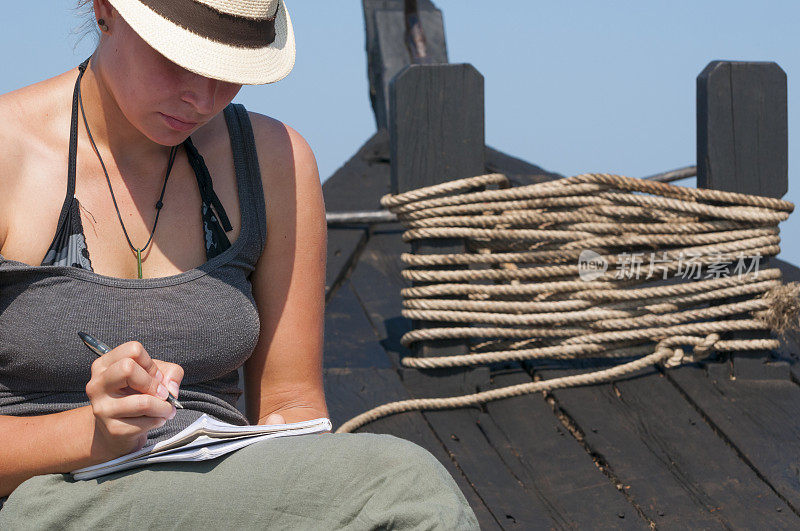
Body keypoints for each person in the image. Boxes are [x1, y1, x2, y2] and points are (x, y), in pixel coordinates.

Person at [0, 0, 479, 528]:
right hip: (45, 498)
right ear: (105, 9)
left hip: (223, 490)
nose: (202, 98)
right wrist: (95, 433)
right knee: (404, 485)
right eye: (178, 60)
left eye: (230, 72)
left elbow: (293, 406)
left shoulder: (275, 162)